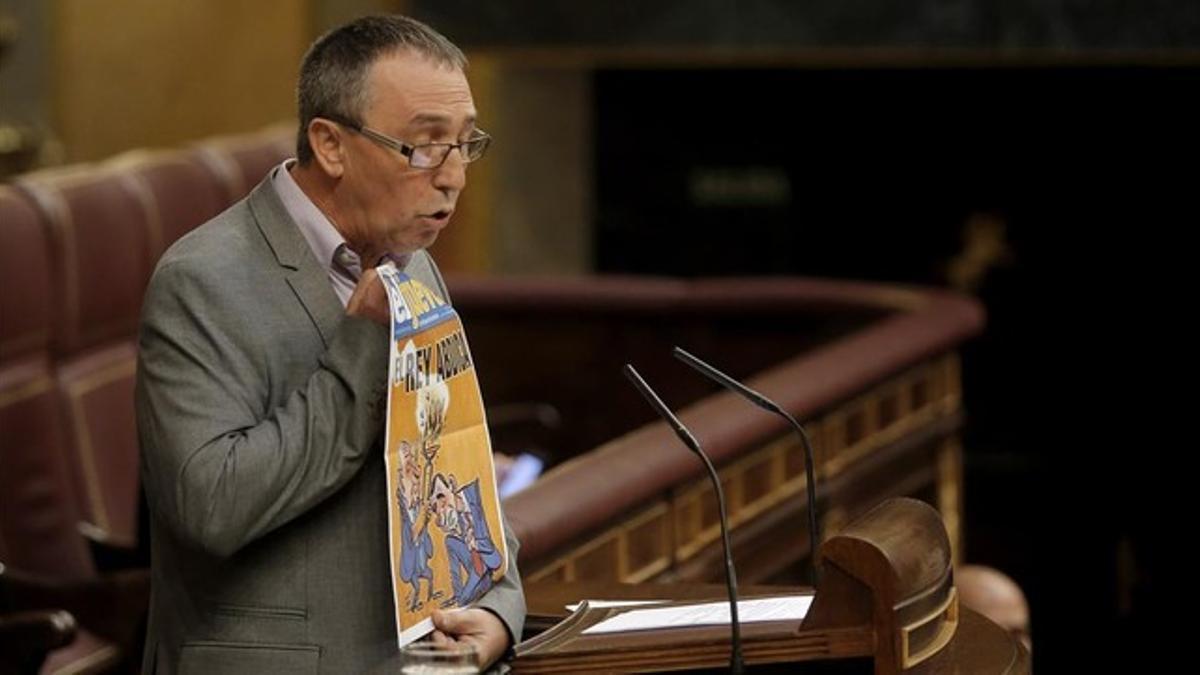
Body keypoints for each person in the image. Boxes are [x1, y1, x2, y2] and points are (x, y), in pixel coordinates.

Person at [135, 15, 523, 674]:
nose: (455, 175)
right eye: (426, 145)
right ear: (331, 144)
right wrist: (364, 344)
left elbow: (450, 462)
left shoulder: (414, 263)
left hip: (417, 661)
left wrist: (495, 607)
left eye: (465, 143)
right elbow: (211, 504)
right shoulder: (203, 278)